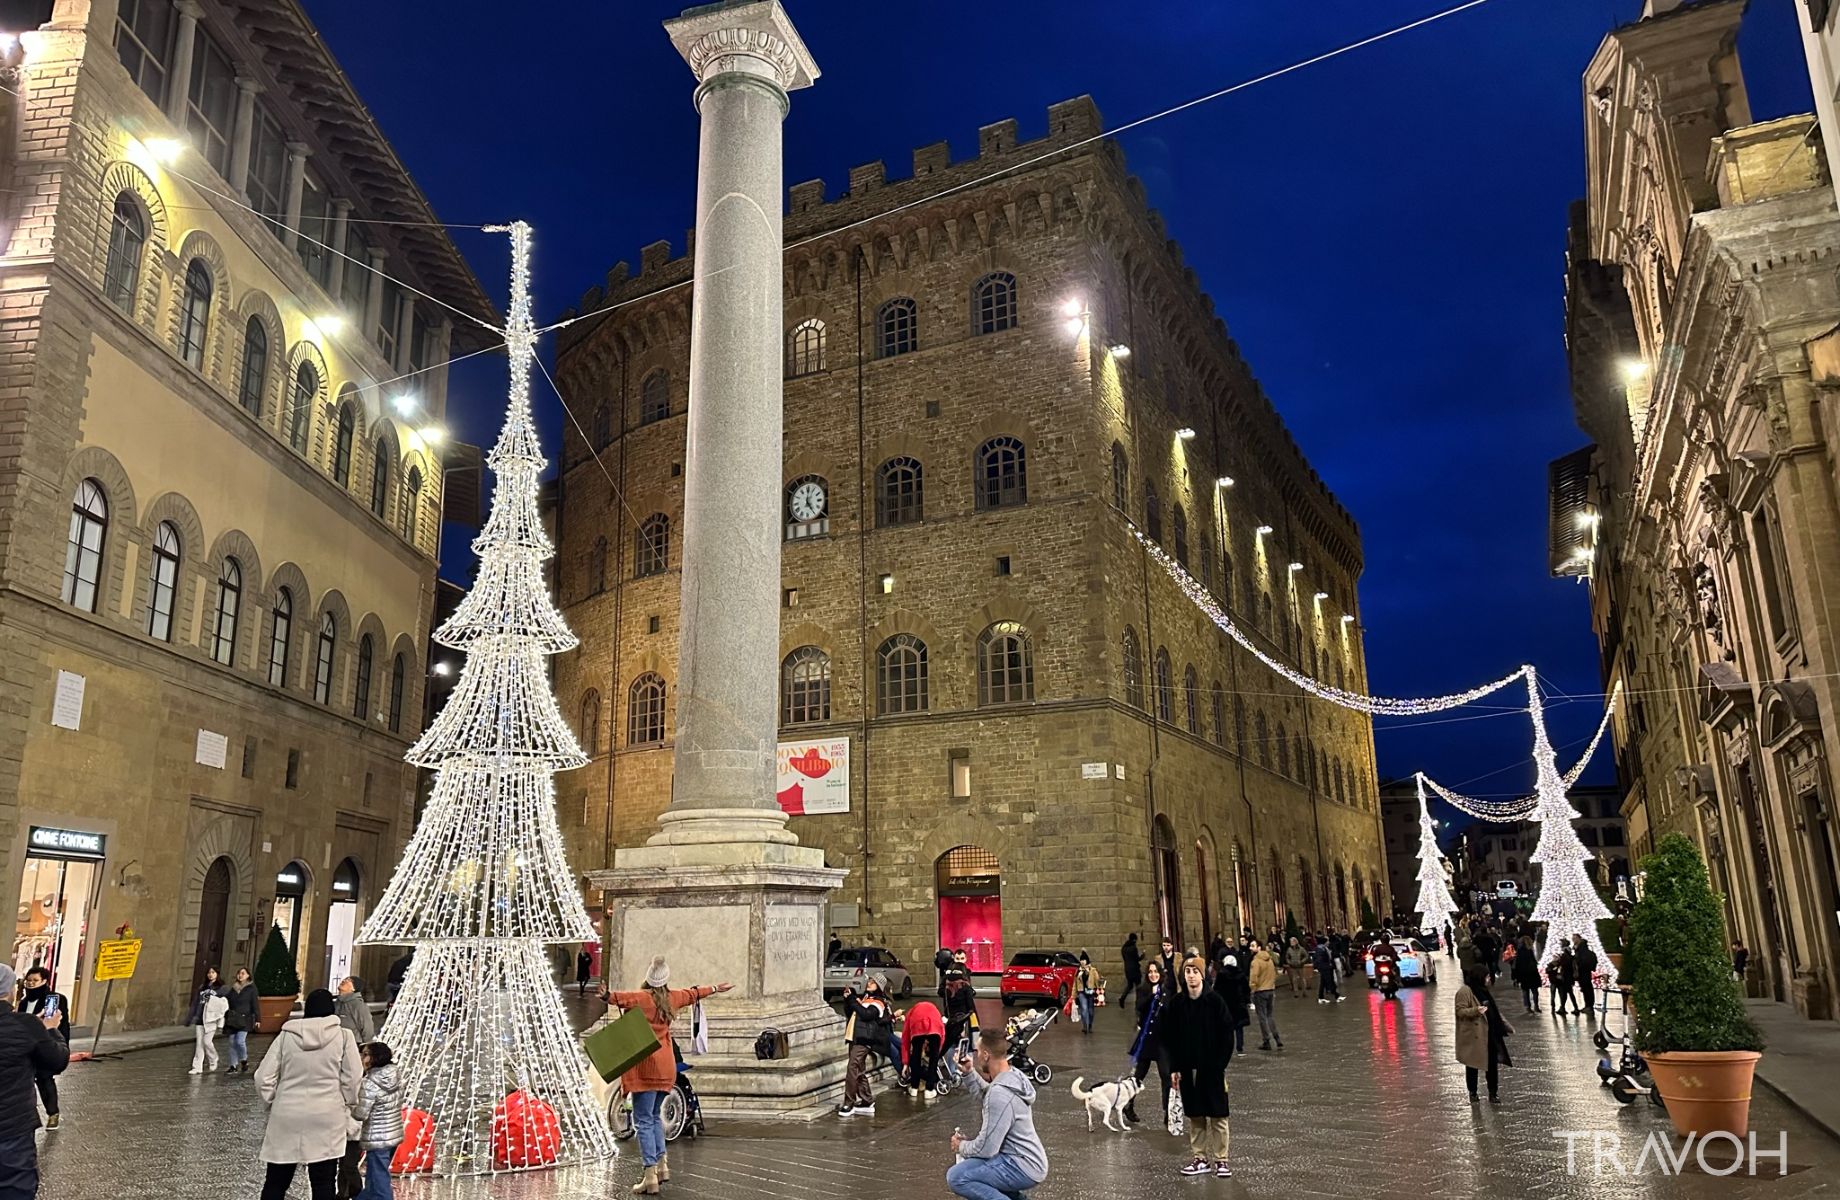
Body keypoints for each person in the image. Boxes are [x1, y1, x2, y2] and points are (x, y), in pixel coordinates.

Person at [603, 957, 732, 1194]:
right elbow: (693, 993)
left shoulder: (642, 998)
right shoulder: (672, 998)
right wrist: (715, 988)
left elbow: (618, 998)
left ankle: (650, 1174)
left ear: (648, 978)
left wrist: (605, 994)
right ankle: (662, 1166)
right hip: (666, 1068)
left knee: (642, 1120)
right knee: (653, 1117)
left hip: (645, 1067)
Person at [255, 988, 362, 1200]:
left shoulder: (286, 1036)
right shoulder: (343, 1036)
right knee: (323, 1182)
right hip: (327, 1114)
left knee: (276, 1182)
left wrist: (274, 1102)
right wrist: (347, 1103)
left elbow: (262, 1077)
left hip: (287, 1114)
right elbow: (354, 1077)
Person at [947, 1030, 1049, 1200]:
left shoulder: (1000, 1093)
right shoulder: (1013, 1076)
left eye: (978, 1051)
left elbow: (987, 1148)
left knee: (957, 1177)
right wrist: (968, 1072)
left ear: (986, 1055)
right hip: (1028, 1160)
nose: (977, 1056)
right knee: (982, 1178)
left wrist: (961, 1146)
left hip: (1021, 1164)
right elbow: (990, 1094)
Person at [1163, 957, 1234, 1178]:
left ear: (1202, 975)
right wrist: (1174, 1067)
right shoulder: (1177, 1003)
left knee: (1218, 1116)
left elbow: (1227, 1035)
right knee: (1195, 1115)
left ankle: (1221, 1160)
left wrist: (1219, 1065)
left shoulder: (1215, 1001)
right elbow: (1171, 1038)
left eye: (1195, 971)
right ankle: (1200, 1158)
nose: (1191, 975)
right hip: (1187, 1068)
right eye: (1188, 971)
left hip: (1212, 1068)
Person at [0, 970, 68, 1200]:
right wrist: (49, 1029)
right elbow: (57, 1060)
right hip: (11, 1132)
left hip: (11, 1131)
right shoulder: (26, 1025)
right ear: (10, 991)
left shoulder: (27, 1025)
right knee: (14, 1190)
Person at [351, 1040, 404, 1200]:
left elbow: (361, 1114)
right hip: (393, 1133)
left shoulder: (369, 1083)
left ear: (374, 1058)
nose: (362, 1058)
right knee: (373, 1178)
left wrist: (350, 1107)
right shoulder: (395, 1075)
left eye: (366, 1055)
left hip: (377, 1136)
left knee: (379, 1180)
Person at [16, 968, 68, 1129]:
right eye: (28, 981)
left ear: (44, 981)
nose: (30, 984)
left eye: (34, 980)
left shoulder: (52, 999)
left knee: (44, 1079)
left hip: (44, 1044)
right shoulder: (24, 1001)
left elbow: (50, 1023)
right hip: (26, 1046)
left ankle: (53, 1113)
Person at [1454, 966, 1513, 1103]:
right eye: (1486, 977)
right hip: (1475, 1035)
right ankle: (1473, 1092)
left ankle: (1493, 1092)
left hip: (1490, 1034)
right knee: (1473, 1064)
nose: (1488, 979)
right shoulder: (1465, 991)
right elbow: (1460, 1011)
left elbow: (1493, 1010)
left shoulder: (1484, 991)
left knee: (1492, 1064)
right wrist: (1476, 1010)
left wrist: (1504, 1025)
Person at [838, 973, 893, 1117]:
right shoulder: (865, 999)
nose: (870, 983)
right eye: (870, 980)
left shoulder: (879, 1002)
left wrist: (852, 1000)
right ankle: (867, 1101)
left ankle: (848, 1103)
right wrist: (848, 1000)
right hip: (854, 1037)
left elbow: (866, 1014)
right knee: (859, 1070)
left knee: (852, 1068)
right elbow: (851, 1013)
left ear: (879, 987)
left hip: (864, 1040)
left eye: (873, 982)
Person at [1124, 958, 1172, 1125]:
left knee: (1166, 1076)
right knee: (1138, 1076)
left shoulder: (1167, 990)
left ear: (1160, 974)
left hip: (1162, 1040)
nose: (1153, 975)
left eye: (1155, 972)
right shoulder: (1143, 990)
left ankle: (1168, 1112)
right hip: (1146, 1038)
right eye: (1150, 972)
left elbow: (1169, 1011)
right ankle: (1128, 1104)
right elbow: (1140, 1008)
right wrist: (1152, 995)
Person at [186, 966, 228, 1075]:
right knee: (199, 1044)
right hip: (200, 1018)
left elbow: (224, 1004)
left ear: (217, 974)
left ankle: (213, 1058)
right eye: (209, 972)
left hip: (211, 1019)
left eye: (213, 972)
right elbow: (195, 1002)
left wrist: (221, 1020)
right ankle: (197, 1066)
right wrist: (190, 1017)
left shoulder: (222, 988)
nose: (211, 974)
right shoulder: (202, 987)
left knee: (207, 1041)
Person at [900, 998, 945, 1099]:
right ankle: (929, 1090)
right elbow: (942, 1035)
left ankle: (914, 1088)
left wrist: (906, 1062)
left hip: (917, 1023)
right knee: (933, 1060)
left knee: (916, 1055)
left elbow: (905, 1040)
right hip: (935, 1026)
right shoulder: (935, 1010)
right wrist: (938, 1051)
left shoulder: (910, 1013)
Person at [225, 965, 261, 1073]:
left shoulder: (251, 989)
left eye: (243, 973)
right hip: (233, 1018)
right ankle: (233, 1065)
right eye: (239, 973)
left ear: (248, 976)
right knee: (232, 1042)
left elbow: (255, 1004)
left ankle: (244, 1060)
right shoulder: (233, 989)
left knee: (240, 1041)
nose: (240, 975)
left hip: (245, 1019)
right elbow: (226, 1002)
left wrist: (258, 1019)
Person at [1247, 942, 1281, 1050]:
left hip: (1260, 991)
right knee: (1269, 1015)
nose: (1250, 948)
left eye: (1253, 946)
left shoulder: (1256, 961)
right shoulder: (1269, 959)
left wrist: (1252, 988)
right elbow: (1275, 973)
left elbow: (1254, 977)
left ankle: (1266, 1040)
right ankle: (1277, 1038)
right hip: (1270, 989)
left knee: (1262, 1017)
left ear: (1259, 948)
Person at [1215, 953, 1251, 1053]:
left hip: (1226, 1004)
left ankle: (1228, 1046)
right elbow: (1246, 989)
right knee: (1239, 1027)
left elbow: (1217, 990)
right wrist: (1247, 1000)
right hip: (1239, 1003)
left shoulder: (1221, 974)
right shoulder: (1241, 974)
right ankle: (1240, 1046)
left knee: (1227, 1026)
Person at [335, 976, 375, 1046]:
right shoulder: (337, 1003)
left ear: (353, 988)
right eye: (345, 979)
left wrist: (366, 1046)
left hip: (352, 1045)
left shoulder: (358, 1005)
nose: (344, 980)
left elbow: (367, 1028)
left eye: (349, 980)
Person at [1510, 937, 1542, 1013]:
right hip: (1531, 973)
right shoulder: (1528, 951)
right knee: (1534, 991)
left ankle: (1528, 1007)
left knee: (1526, 991)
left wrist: (1516, 976)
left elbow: (1516, 965)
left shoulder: (1519, 951)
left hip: (1524, 974)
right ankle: (1535, 1006)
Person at [1074, 952, 1101, 1035]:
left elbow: (1098, 981)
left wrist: (1090, 972)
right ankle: (1085, 1026)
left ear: (1087, 961)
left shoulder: (1093, 970)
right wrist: (1073, 996)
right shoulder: (1078, 971)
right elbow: (1074, 984)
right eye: (1081, 960)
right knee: (1084, 1009)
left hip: (1091, 992)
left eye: (1084, 960)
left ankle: (1090, 1025)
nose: (1082, 961)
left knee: (1091, 1011)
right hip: (1081, 992)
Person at [1573, 935, 1599, 1018]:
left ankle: (1589, 1006)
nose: (1573, 940)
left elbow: (1580, 961)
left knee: (1586, 988)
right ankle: (1588, 1006)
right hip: (1586, 972)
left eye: (1574, 939)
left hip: (1583, 972)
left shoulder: (1581, 951)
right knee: (1587, 988)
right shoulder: (1585, 951)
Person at [1120, 932, 1143, 1003]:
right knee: (1138, 986)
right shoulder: (1133, 948)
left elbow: (1124, 959)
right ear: (1134, 939)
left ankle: (1122, 998)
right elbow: (1137, 959)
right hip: (1135, 970)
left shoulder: (1123, 948)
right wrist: (1143, 955)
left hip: (1127, 969)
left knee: (1130, 985)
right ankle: (1138, 1002)